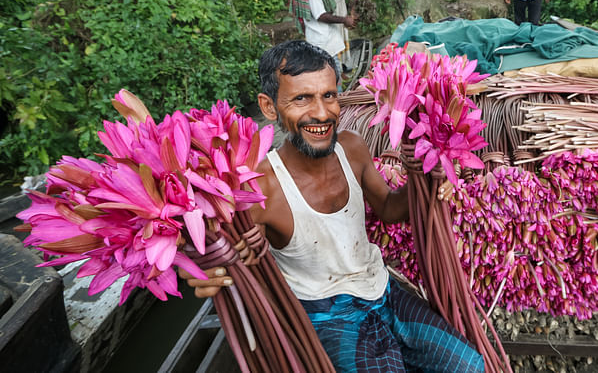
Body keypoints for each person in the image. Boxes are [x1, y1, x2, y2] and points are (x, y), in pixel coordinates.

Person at [182, 39, 486, 372]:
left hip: (381, 290)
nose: (322, 113)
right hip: (326, 315)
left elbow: (387, 208)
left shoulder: (352, 148)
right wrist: (200, 269)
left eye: (329, 95)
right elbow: (222, 252)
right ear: (269, 108)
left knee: (469, 365)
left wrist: (423, 181)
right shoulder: (261, 187)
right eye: (302, 99)